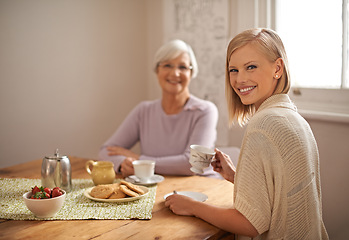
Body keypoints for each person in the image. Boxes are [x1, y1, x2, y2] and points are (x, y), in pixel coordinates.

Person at [165, 28, 329, 239]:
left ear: (277, 68)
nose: (239, 79)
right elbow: (278, 197)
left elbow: (250, 224)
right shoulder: (294, 119)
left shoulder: (263, 124)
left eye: (250, 67)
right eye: (233, 70)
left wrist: (193, 206)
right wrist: (236, 176)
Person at [98, 39, 220, 178]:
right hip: (157, 187)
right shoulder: (143, 111)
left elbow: (194, 164)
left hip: (202, 189)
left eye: (183, 67)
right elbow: (105, 151)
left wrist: (140, 161)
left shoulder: (205, 111)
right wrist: (123, 163)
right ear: (157, 70)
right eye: (167, 65)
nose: (175, 73)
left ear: (191, 73)